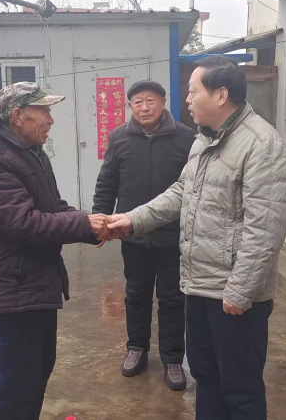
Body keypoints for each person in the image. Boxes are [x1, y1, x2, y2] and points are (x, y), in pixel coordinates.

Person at [108, 57, 286, 420]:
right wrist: (131, 219)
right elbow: (181, 192)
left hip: (233, 296)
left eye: (193, 92)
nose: (187, 99)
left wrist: (241, 290)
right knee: (206, 377)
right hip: (199, 285)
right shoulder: (204, 139)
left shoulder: (261, 144)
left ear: (220, 95)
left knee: (239, 388)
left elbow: (266, 227)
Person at [0, 82, 114, 420]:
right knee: (16, 384)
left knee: (37, 370)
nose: (51, 120)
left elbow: (51, 207)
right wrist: (85, 224)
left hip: (35, 281)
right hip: (14, 287)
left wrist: (93, 225)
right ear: (18, 116)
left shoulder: (31, 151)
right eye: (44, 111)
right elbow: (23, 224)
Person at [92, 79, 196, 390]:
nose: (144, 107)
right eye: (137, 102)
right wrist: (100, 222)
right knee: (136, 295)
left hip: (172, 236)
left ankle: (173, 358)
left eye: (150, 101)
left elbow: (193, 188)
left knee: (173, 299)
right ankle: (136, 348)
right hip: (133, 235)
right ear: (130, 107)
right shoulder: (119, 138)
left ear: (163, 102)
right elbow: (107, 183)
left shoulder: (186, 137)